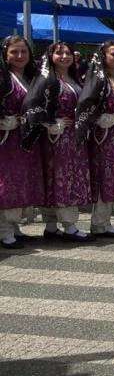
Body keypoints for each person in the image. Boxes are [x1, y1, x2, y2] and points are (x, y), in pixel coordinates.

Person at [23, 42, 92, 241]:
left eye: (68, 52)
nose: (64, 56)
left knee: (65, 178)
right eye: (59, 53)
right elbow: (31, 103)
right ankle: (69, 225)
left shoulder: (74, 77)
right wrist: (51, 123)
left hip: (74, 139)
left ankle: (52, 226)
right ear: (50, 56)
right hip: (56, 138)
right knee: (60, 179)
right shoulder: (45, 79)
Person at [75, 40, 114, 238]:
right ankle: (98, 223)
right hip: (104, 138)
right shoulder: (98, 81)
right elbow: (85, 107)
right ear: (104, 57)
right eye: (113, 55)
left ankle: (106, 220)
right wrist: (103, 118)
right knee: (104, 177)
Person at [0, 36, 43, 249]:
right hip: (7, 141)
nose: (19, 56)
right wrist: (6, 121)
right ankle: (5, 231)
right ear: (5, 55)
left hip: (26, 140)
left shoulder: (29, 77)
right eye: (14, 52)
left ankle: (15, 228)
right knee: (9, 184)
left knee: (23, 182)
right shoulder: (3, 77)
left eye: (23, 52)